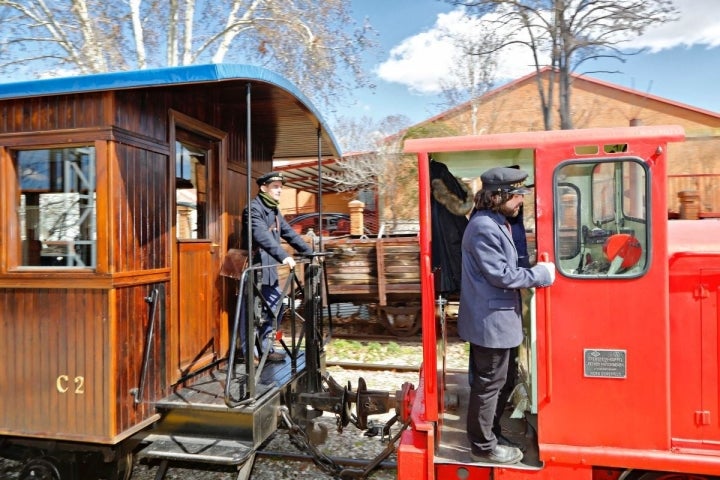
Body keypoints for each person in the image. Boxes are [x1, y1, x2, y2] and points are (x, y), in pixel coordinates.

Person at [459, 166, 555, 465]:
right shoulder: (484, 226)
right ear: (496, 196)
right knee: (490, 384)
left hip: (496, 320)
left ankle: (491, 433)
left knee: (498, 381)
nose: (520, 201)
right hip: (491, 323)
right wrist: (539, 274)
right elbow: (501, 275)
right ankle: (483, 446)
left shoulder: (495, 221)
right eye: (516, 196)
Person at [240, 171, 313, 363]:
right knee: (251, 313)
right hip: (256, 269)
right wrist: (283, 256)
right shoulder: (253, 209)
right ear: (264, 187)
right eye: (275, 186)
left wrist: (310, 252)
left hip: (269, 269)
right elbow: (260, 236)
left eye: (281, 186)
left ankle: (266, 348)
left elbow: (289, 234)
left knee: (276, 308)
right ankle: (249, 355)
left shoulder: (273, 211)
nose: (279, 189)